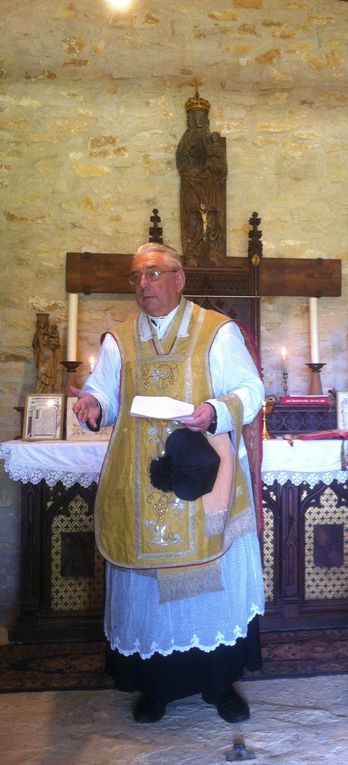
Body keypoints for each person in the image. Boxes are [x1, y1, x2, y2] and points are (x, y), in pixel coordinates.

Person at [71, 242, 265, 724]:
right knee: (150, 596)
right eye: (136, 277)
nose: (144, 285)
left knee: (209, 589)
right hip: (142, 481)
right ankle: (155, 687)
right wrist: (93, 406)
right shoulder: (118, 339)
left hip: (205, 479)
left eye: (154, 274)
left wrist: (216, 411)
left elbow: (250, 390)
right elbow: (105, 393)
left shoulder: (216, 333)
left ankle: (219, 683)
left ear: (179, 279)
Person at [176, 90, 227, 265]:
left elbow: (222, 168)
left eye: (200, 117)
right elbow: (181, 163)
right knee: (192, 218)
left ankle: (215, 252)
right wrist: (194, 176)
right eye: (193, 116)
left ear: (205, 119)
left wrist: (213, 166)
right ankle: (192, 253)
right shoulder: (186, 139)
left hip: (210, 186)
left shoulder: (213, 142)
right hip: (191, 184)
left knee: (213, 217)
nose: (197, 120)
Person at [32, 312, 60, 393]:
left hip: (50, 355)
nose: (42, 324)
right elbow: (34, 345)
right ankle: (39, 392)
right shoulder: (38, 333)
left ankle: (48, 391)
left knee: (50, 373)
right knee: (40, 373)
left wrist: (51, 343)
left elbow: (56, 343)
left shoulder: (50, 333)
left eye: (44, 322)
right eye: (40, 322)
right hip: (42, 356)